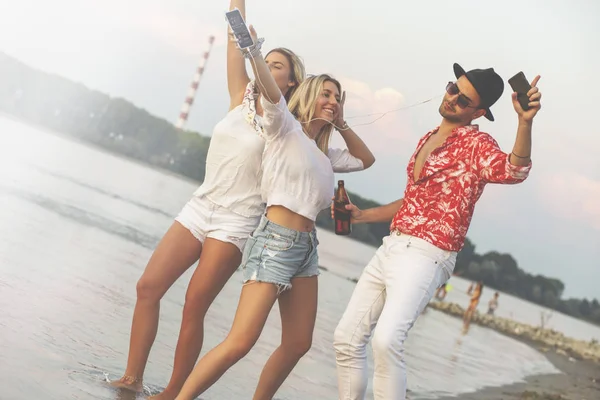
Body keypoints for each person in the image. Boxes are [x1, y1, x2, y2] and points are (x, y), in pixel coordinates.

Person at [110, 1, 306, 397]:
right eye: (265, 59)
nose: (266, 64)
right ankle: (131, 380)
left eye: (278, 65)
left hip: (236, 220)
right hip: (200, 206)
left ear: (290, 84)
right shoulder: (239, 96)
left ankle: (174, 393)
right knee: (148, 287)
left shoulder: (282, 122)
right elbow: (237, 39)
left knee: (193, 305)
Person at [174, 25, 375, 400]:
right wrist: (252, 53)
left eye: (337, 96)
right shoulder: (285, 127)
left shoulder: (326, 154)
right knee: (241, 341)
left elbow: (366, 160)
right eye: (326, 94)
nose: (332, 100)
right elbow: (269, 89)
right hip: (274, 244)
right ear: (310, 94)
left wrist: (342, 122)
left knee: (298, 343)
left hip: (306, 249)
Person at [333, 63, 542, 400]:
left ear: (479, 112)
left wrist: (524, 122)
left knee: (387, 341)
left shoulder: (476, 144)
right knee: (346, 338)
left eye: (463, 100)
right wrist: (360, 215)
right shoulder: (427, 138)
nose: (452, 98)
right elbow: (414, 201)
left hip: (428, 253)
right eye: (452, 89)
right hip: (393, 245)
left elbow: (513, 170)